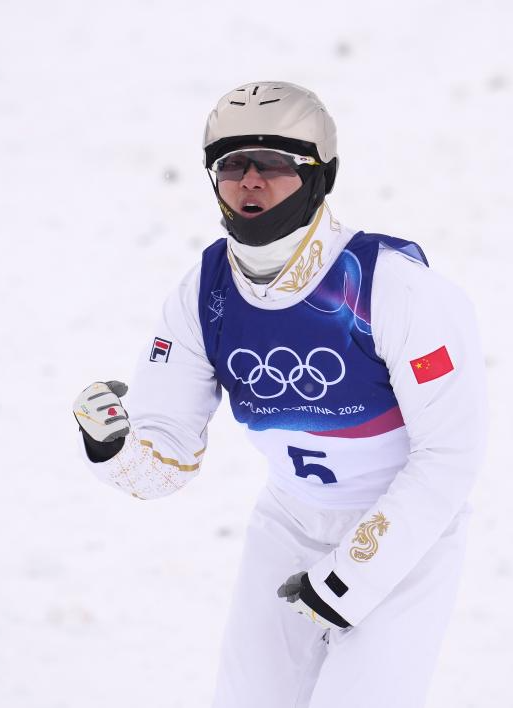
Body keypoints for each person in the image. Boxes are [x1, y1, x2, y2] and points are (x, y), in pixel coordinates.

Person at [72, 81, 488, 708]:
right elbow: (166, 462)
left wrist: (352, 576)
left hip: (408, 537)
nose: (250, 180)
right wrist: (112, 449)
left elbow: (450, 457)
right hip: (288, 525)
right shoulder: (203, 292)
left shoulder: (396, 288)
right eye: (231, 165)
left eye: (273, 163)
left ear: (321, 175)